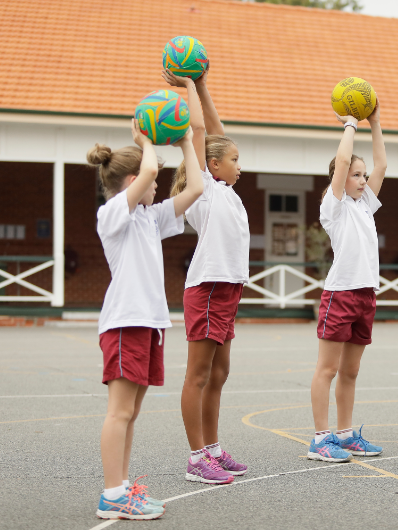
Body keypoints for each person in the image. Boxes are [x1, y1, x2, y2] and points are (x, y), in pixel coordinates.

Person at [91, 119, 203, 519]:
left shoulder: (148, 218)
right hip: (125, 323)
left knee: (131, 414)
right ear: (134, 179)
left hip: (149, 325)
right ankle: (112, 495)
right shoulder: (113, 215)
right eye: (149, 180)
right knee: (119, 412)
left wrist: (188, 141)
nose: (157, 186)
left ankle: (121, 490)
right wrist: (145, 141)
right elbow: (153, 170)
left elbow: (196, 188)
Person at [165, 66, 249, 482]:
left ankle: (214, 448)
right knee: (198, 375)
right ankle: (197, 459)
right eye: (234, 161)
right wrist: (187, 87)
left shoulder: (227, 191)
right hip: (208, 287)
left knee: (220, 372)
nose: (240, 167)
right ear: (212, 165)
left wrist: (203, 84)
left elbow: (215, 129)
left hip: (229, 288)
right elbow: (200, 129)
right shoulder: (204, 187)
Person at [308, 104, 387, 462]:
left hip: (366, 294)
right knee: (328, 369)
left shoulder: (365, 204)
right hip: (340, 294)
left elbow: (382, 165)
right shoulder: (334, 205)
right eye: (357, 174)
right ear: (341, 180)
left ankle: (344, 433)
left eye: (363, 174)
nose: (363, 179)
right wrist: (351, 125)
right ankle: (321, 438)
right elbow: (341, 164)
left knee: (351, 371)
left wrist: (377, 123)